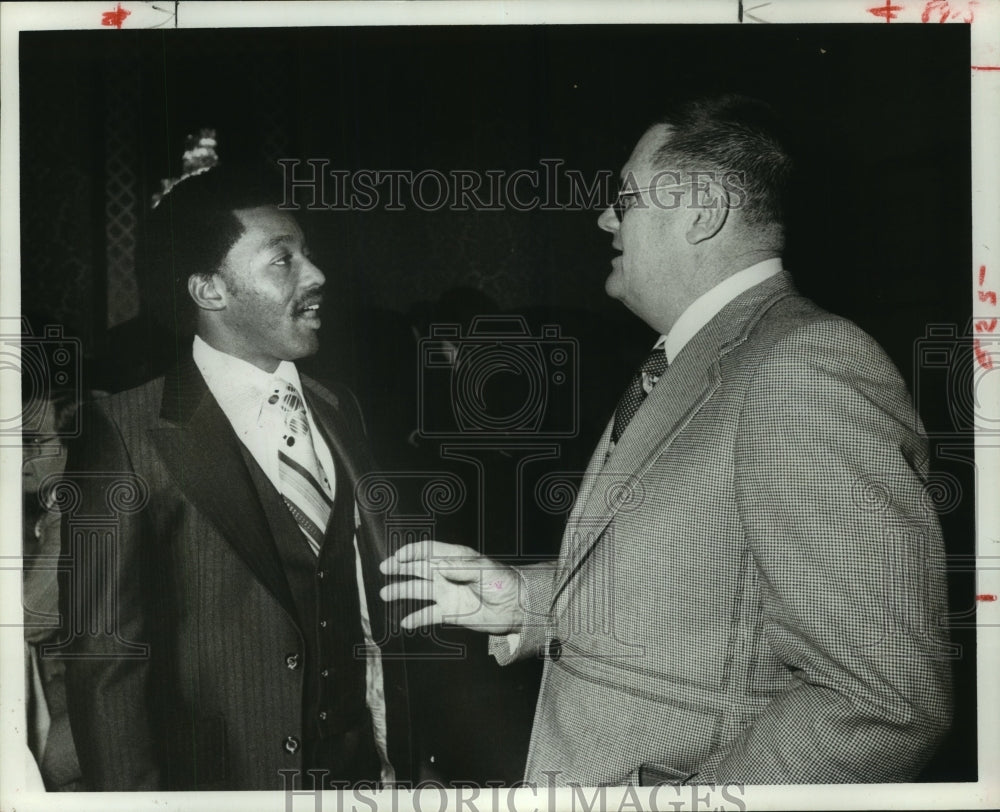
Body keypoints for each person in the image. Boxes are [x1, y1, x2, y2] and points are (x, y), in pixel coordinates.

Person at [380, 94, 952, 785]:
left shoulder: (804, 364)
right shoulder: (701, 355)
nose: (603, 218)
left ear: (702, 212)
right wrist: (528, 602)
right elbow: (711, 587)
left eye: (624, 198)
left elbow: (882, 701)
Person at [59, 164, 413, 790]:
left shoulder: (340, 407)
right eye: (283, 260)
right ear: (210, 290)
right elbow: (106, 665)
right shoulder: (126, 432)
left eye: (309, 253)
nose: (317, 275)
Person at [22, 389, 83, 791]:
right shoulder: (49, 508)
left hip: (112, 705)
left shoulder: (76, 512)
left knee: (28, 770)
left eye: (33, 442)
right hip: (64, 692)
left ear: (72, 448)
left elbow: (26, 619)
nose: (19, 455)